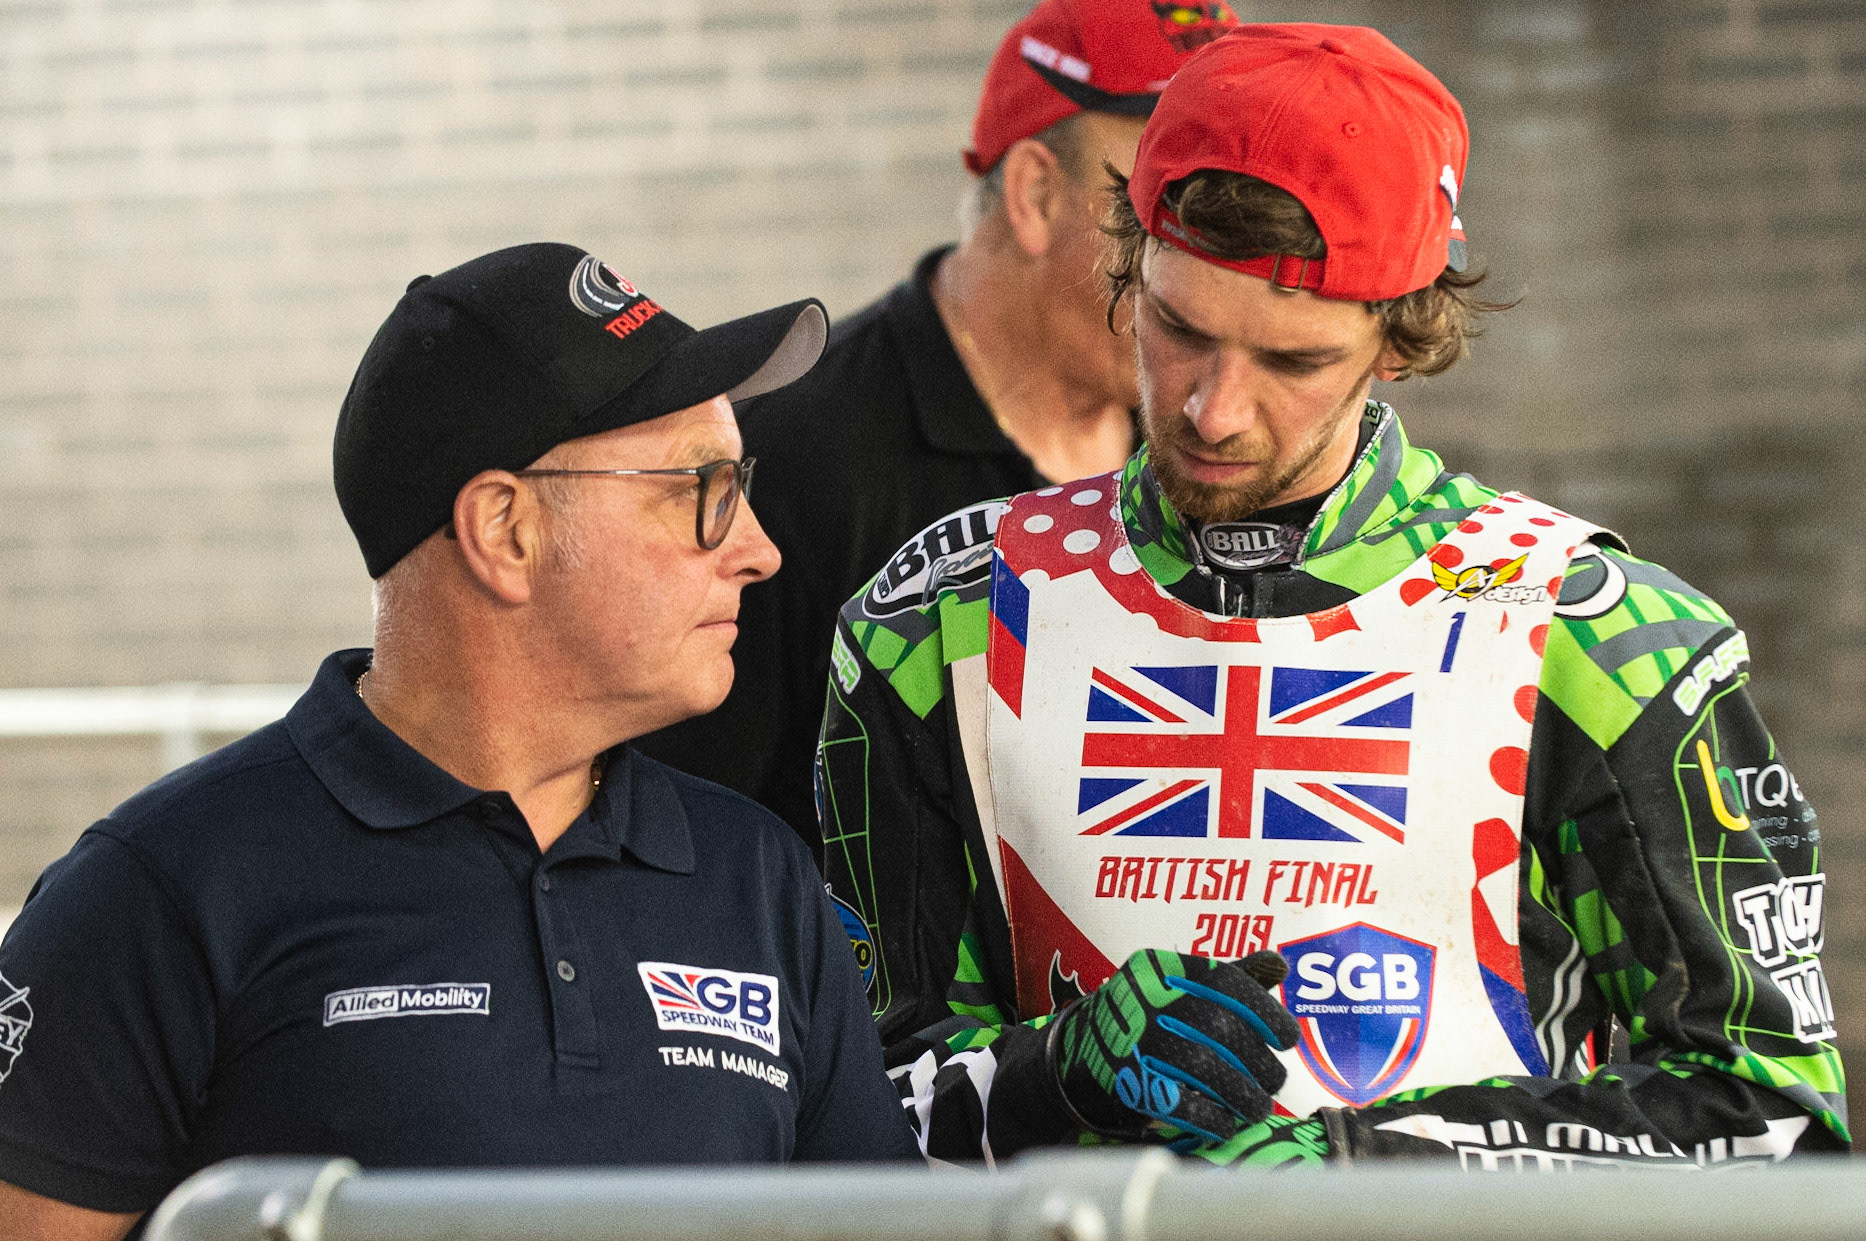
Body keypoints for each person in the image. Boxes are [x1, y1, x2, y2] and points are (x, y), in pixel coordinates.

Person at [818, 25, 1846, 1168]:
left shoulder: (1600, 637)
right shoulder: (938, 619)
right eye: (1179, 327)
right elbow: (837, 1109)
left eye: (1291, 361)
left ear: (1398, 337)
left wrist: (1371, 1168)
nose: (1212, 409)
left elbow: (1771, 1121)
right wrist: (1053, 1075)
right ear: (1128, 263)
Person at [0, 242, 917, 1240]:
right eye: (701, 487)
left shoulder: (762, 878)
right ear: (505, 529)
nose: (759, 548)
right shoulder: (161, 890)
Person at [635, 0, 1241, 846]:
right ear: (1034, 194)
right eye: (1164, 205)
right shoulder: (796, 452)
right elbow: (679, 833)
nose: (1204, 263)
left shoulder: (1213, 438)